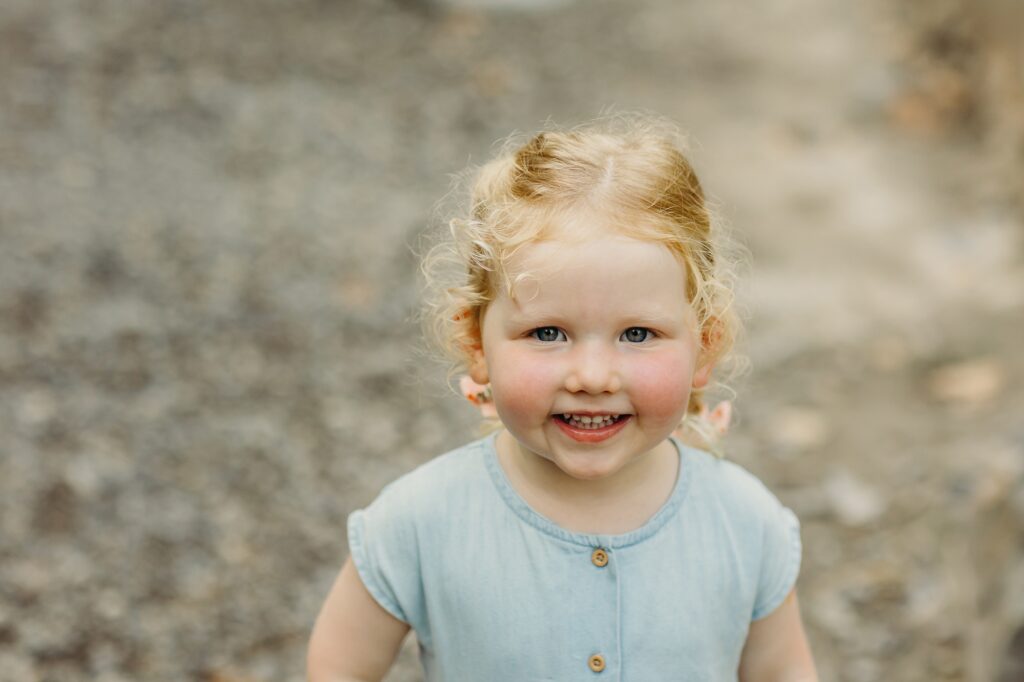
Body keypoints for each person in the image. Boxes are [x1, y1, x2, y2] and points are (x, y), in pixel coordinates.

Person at [307, 115, 818, 681]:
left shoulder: (745, 525)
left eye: (637, 334)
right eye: (548, 333)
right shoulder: (419, 522)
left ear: (705, 346)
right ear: (476, 341)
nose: (593, 376)